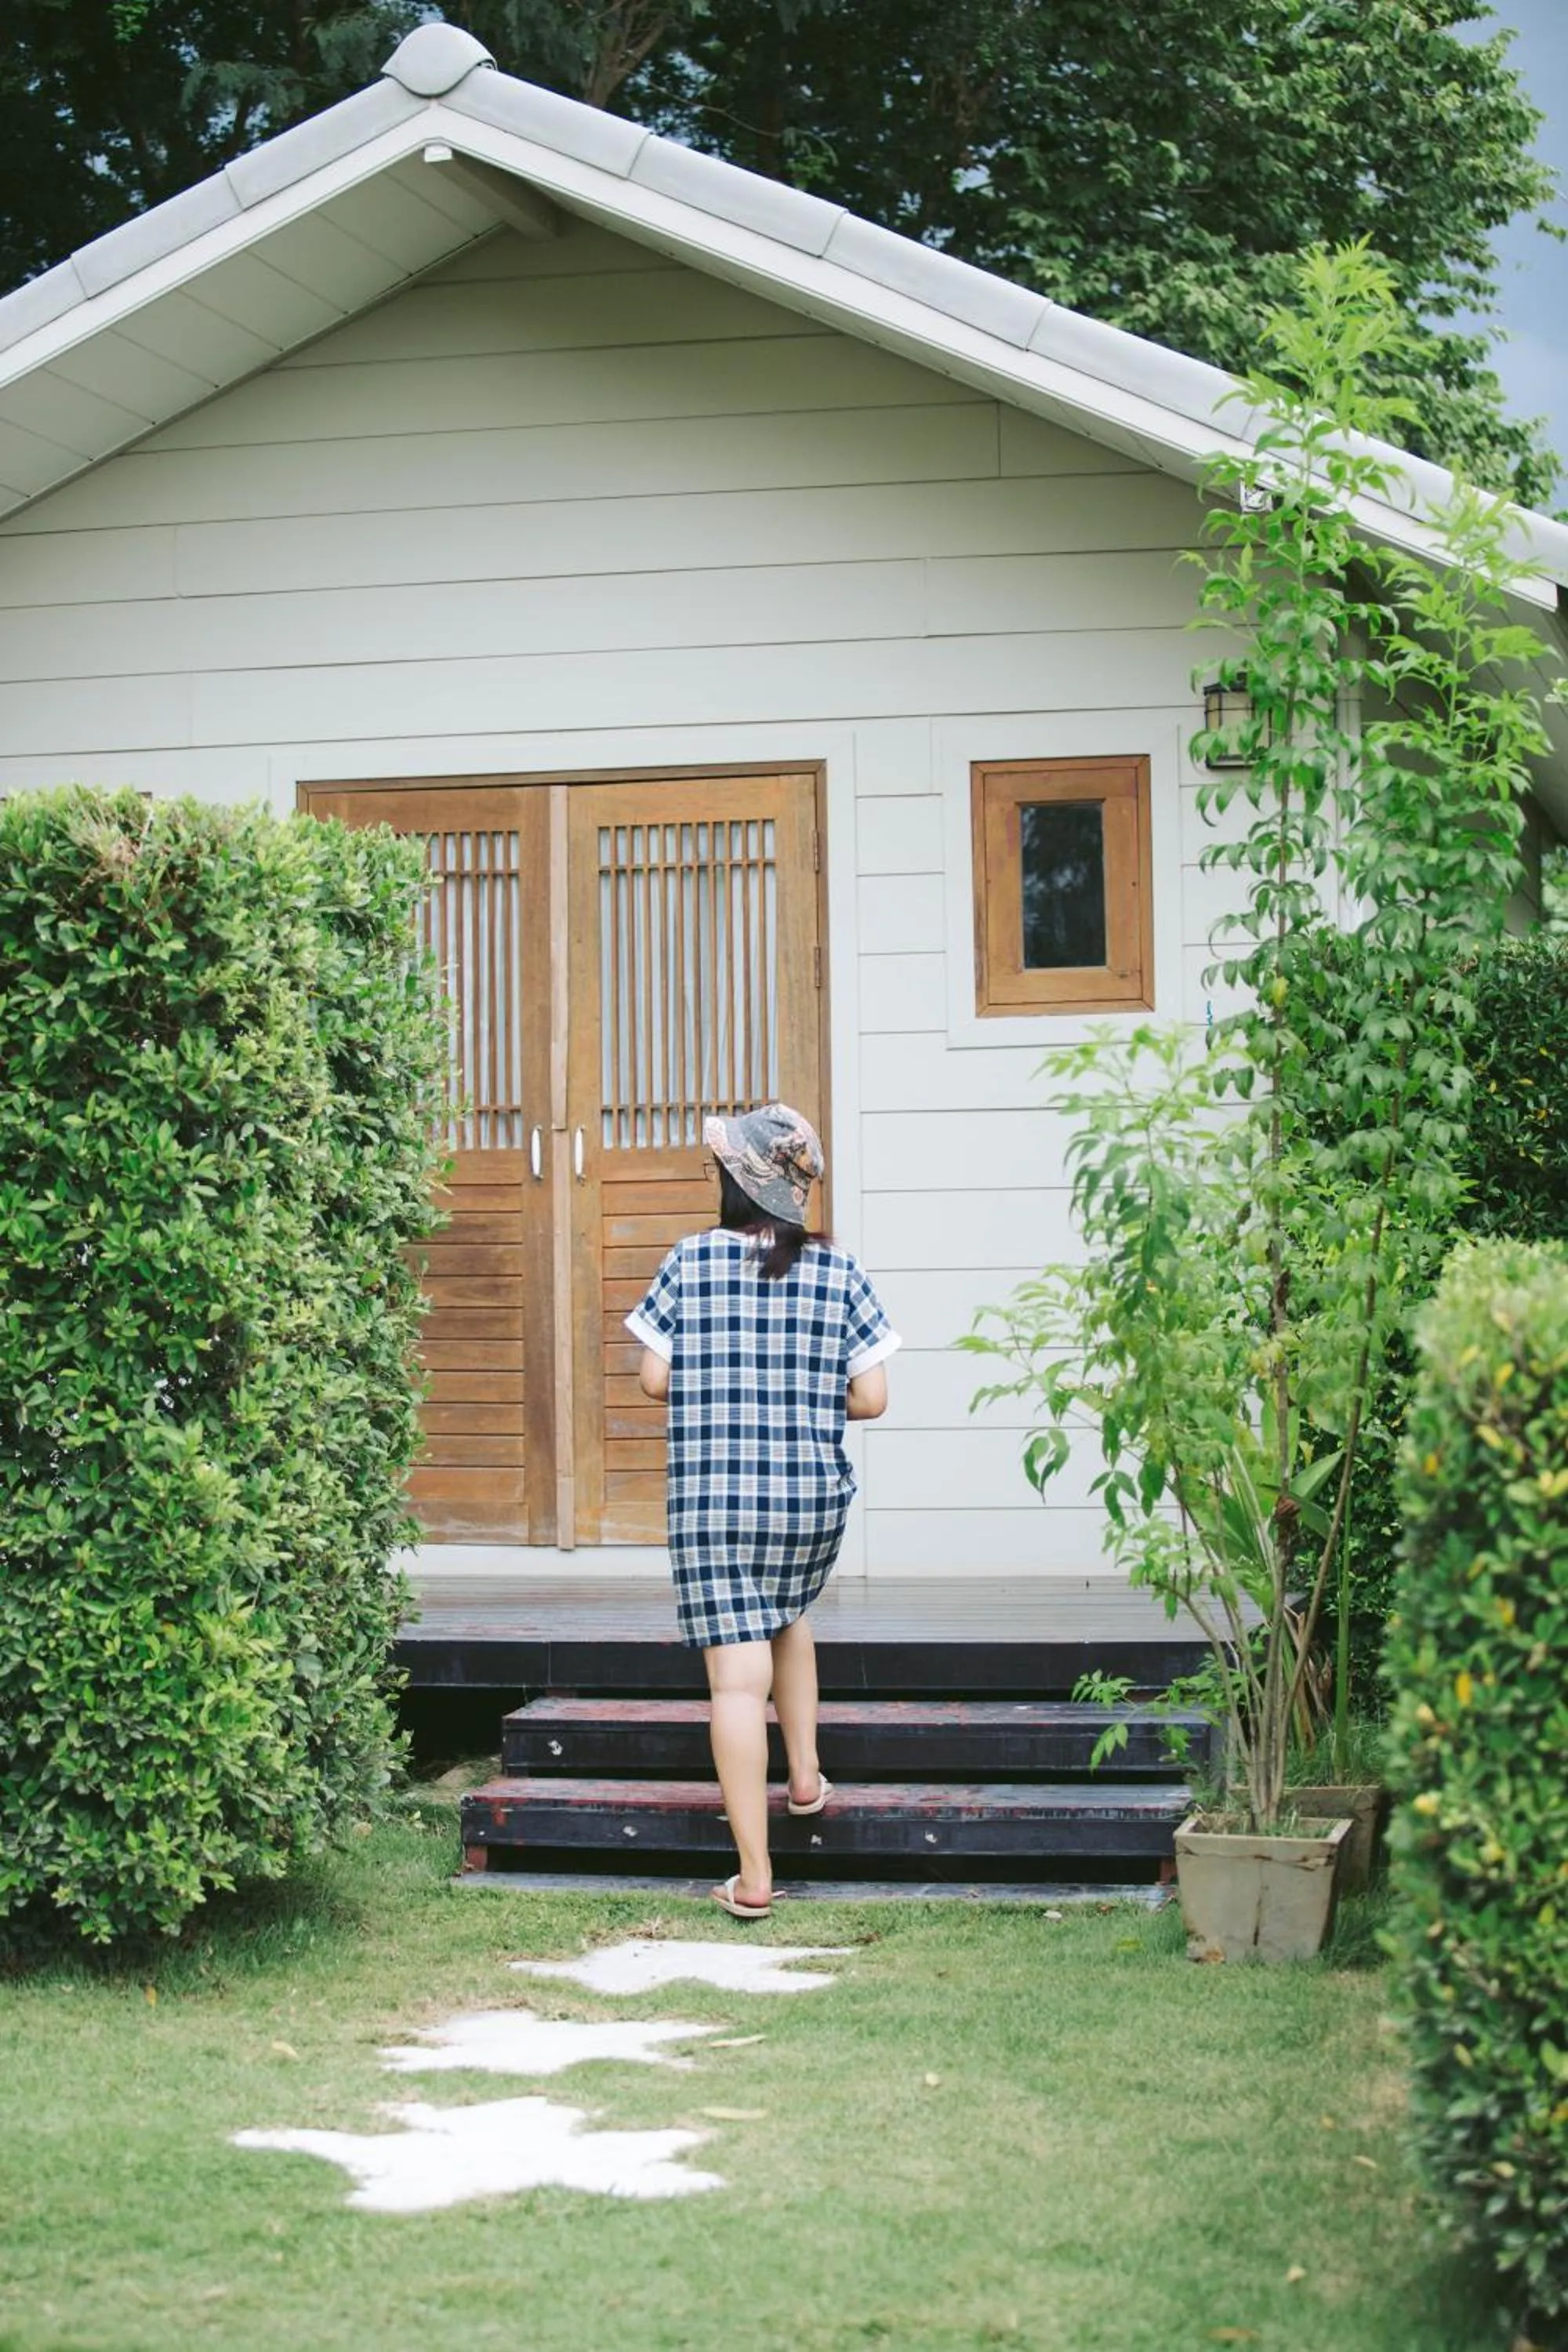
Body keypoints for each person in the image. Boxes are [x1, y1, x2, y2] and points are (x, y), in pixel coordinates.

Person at [626, 1103, 899, 1920]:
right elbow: (872, 1397)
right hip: (806, 1503)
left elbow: (651, 1378)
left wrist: (723, 1383)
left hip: (716, 1501)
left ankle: (752, 1874)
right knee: (786, 1611)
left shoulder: (690, 1261)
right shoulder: (838, 1272)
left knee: (736, 1687)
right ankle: (806, 1776)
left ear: (735, 1183)